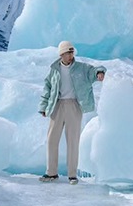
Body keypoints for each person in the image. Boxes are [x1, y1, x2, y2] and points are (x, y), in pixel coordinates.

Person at [38, 41, 106, 185]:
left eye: (72, 52)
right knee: (52, 140)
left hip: (74, 105)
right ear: (61, 54)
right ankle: (51, 173)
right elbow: (47, 88)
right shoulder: (54, 69)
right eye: (68, 53)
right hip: (57, 105)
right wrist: (43, 106)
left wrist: (100, 73)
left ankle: (72, 175)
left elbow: (96, 70)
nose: (71, 55)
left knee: (73, 141)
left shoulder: (81, 68)